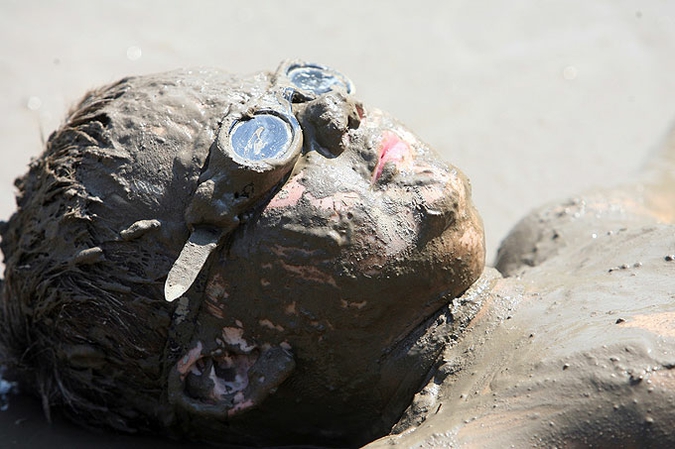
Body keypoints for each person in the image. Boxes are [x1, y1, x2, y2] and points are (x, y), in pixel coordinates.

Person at [0, 61, 672, 448]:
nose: (337, 116)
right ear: (230, 369)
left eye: (299, 88)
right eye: (263, 152)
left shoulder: (568, 230)